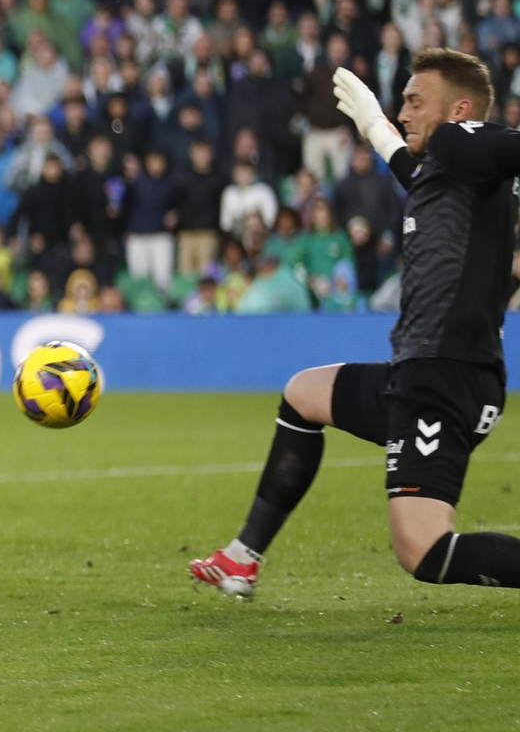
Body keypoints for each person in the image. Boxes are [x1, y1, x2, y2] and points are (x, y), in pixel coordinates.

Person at [192, 49, 520, 597]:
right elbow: (414, 170)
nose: (405, 110)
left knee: (423, 551)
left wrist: (387, 127)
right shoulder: (451, 169)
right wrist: (374, 126)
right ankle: (241, 559)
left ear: (461, 110)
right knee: (303, 395)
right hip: (423, 373)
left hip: (444, 381)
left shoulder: (458, 141)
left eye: (416, 100)